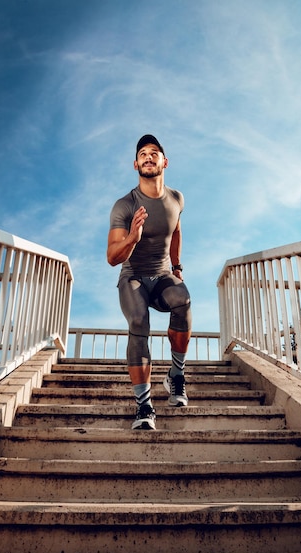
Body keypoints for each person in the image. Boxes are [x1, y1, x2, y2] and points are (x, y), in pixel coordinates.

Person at [107, 134, 192, 430]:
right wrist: (132, 238)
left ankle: (176, 376)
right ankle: (144, 406)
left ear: (164, 162)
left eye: (154, 152)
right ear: (135, 164)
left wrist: (177, 266)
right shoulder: (124, 205)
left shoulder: (176, 199)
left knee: (183, 299)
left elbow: (176, 229)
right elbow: (112, 257)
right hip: (133, 278)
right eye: (142, 153)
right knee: (139, 320)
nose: (148, 156)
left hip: (163, 275)